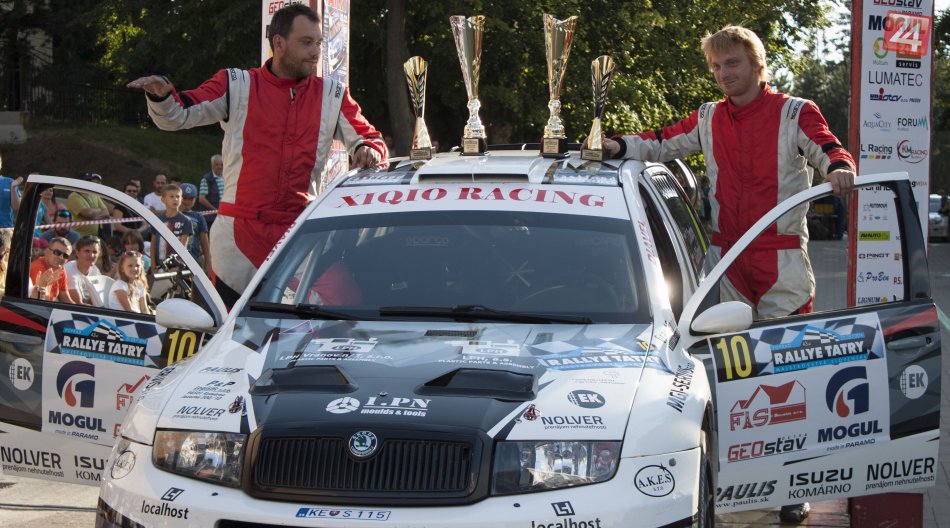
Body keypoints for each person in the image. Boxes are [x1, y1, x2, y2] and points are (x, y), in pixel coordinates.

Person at [605, 25, 855, 524]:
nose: (724, 74)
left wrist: (840, 166)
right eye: (717, 66)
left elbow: (829, 147)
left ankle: (793, 489)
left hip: (783, 263)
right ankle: (736, 480)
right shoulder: (708, 116)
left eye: (733, 63)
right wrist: (615, 145)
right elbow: (661, 142)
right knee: (735, 379)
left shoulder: (795, 111)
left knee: (791, 378)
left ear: (757, 65)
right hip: (727, 263)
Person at [127, 3, 387, 307]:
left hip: (299, 231)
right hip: (238, 235)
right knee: (224, 323)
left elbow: (370, 138)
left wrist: (368, 150)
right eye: (306, 42)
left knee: (347, 306)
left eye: (318, 43)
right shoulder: (236, 84)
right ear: (279, 42)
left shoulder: (332, 94)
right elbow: (179, 114)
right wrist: (160, 96)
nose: (315, 52)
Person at [149, 184, 193, 274]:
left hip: (175, 267)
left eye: (178, 196)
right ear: (163, 199)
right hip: (159, 266)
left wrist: (177, 266)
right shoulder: (157, 220)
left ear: (181, 199)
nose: (175, 199)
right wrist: (153, 265)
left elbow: (183, 247)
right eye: (171, 196)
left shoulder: (186, 221)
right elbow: (153, 244)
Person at [30, 236, 75, 303]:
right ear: (46, 251)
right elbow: (41, 300)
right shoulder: (38, 268)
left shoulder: (60, 269)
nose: (61, 257)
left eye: (65, 256)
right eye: (57, 252)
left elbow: (66, 299)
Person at [67, 173, 112, 237]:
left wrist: (93, 215)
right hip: (80, 236)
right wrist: (99, 210)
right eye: (85, 181)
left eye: (89, 181)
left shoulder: (94, 194)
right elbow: (87, 213)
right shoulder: (74, 196)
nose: (87, 183)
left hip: (95, 236)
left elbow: (106, 212)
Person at [179, 183, 211, 272]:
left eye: (191, 198)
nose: (187, 201)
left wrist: (208, 262)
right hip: (174, 260)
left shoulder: (198, 217)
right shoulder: (171, 214)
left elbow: (204, 241)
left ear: (195, 199)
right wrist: (178, 211)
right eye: (184, 198)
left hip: (193, 259)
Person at [65, 235, 103, 306]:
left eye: (95, 252)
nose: (91, 255)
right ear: (78, 253)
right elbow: (78, 304)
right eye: (87, 251)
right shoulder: (69, 268)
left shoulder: (95, 270)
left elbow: (98, 298)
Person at [198, 154, 224, 226]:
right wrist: (215, 210)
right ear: (212, 165)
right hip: (210, 218)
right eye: (217, 164)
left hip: (223, 215)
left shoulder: (226, 177)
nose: (220, 167)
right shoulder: (206, 179)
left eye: (221, 164)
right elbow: (201, 199)